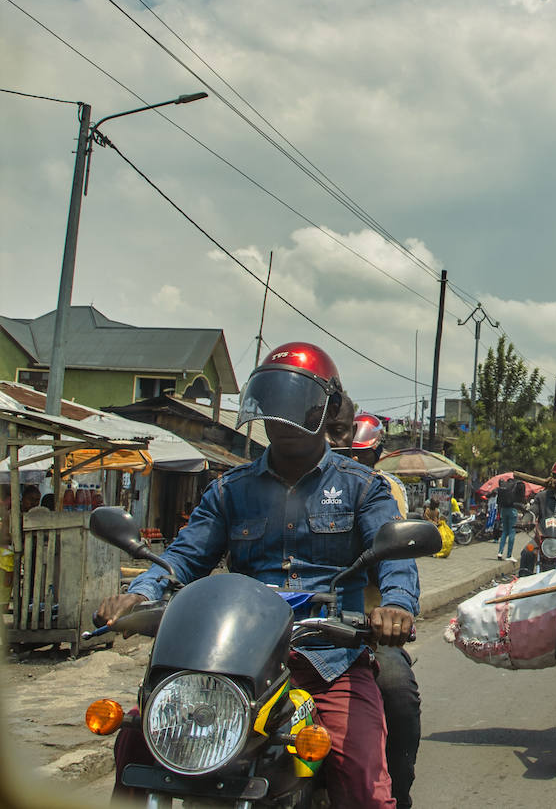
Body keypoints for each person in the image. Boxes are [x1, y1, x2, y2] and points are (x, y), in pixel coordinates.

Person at [97, 342, 416, 808]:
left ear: (325, 411)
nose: (281, 416)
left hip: (327, 656)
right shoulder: (230, 490)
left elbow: (394, 557)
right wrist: (139, 593)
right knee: (140, 741)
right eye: (273, 403)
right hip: (235, 659)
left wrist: (396, 607)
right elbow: (183, 558)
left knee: (362, 773)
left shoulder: (363, 487)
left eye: (295, 403)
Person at [334, 409, 422, 809]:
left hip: (363, 621)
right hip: (276, 624)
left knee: (397, 691)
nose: (350, 462)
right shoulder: (255, 484)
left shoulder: (380, 491)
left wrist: (396, 606)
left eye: (360, 455)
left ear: (376, 454)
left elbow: (395, 555)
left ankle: (398, 793)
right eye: (342, 451)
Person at [495, 475, 525, 561]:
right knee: (512, 532)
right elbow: (521, 498)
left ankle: (500, 552)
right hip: (512, 510)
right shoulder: (517, 485)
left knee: (504, 531)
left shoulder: (505, 485)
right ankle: (509, 555)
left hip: (503, 510)